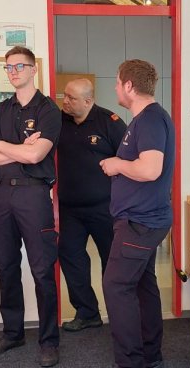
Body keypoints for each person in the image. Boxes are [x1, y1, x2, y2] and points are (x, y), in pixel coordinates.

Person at [0, 47, 62, 367]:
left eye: (19, 66)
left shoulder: (48, 110)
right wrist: (17, 149)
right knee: (5, 265)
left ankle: (49, 341)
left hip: (33, 194)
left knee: (42, 269)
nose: (13, 72)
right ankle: (12, 333)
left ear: (33, 69)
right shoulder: (0, 110)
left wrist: (1, 145)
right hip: (1, 194)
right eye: (8, 67)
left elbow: (36, 155)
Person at [95, 59, 175, 368]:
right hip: (143, 219)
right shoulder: (144, 120)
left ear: (129, 85)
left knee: (116, 286)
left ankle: (130, 367)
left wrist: (116, 164)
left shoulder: (151, 119)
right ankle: (151, 357)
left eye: (117, 82)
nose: (115, 87)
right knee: (142, 284)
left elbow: (150, 169)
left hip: (141, 222)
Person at [57, 78, 127, 332]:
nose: (65, 101)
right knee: (70, 256)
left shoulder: (110, 123)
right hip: (70, 209)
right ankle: (87, 312)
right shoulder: (58, 121)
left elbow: (129, 163)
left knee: (112, 261)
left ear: (88, 101)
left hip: (105, 208)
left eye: (72, 98)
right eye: (65, 96)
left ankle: (119, 315)